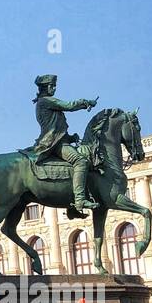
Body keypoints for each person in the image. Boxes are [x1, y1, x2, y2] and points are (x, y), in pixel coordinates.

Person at [22, 74, 99, 217]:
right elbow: (68, 106)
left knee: (72, 165)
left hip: (58, 141)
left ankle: (72, 208)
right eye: (52, 86)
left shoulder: (45, 102)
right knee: (81, 161)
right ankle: (80, 200)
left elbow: (54, 127)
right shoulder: (45, 101)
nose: (54, 88)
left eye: (54, 85)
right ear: (45, 87)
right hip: (53, 144)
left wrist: (70, 138)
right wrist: (86, 102)